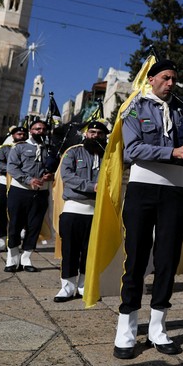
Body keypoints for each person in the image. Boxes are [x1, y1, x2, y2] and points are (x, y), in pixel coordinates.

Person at [113, 59, 183, 360]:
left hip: (173, 191)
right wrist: (173, 151)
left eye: (174, 79)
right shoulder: (134, 108)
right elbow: (132, 150)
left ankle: (158, 328)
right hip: (143, 189)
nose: (170, 84)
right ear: (151, 79)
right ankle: (126, 329)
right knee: (137, 258)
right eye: (165, 78)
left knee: (167, 259)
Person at [54, 122, 108, 302]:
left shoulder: (109, 155)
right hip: (74, 209)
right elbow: (67, 176)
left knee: (90, 252)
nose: (95, 135)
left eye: (100, 133)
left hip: (97, 211)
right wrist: (92, 187)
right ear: (86, 134)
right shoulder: (73, 152)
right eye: (92, 132)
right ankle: (67, 287)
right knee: (70, 250)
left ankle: (85, 286)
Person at [5, 120, 55, 273]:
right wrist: (29, 179)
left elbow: (56, 169)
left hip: (40, 193)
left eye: (43, 129)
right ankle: (12, 258)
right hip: (20, 191)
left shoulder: (50, 150)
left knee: (34, 226)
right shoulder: (19, 147)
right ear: (31, 130)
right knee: (15, 225)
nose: (40, 131)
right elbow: (12, 167)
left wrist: (50, 176)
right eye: (37, 128)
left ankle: (26, 258)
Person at [0, 127, 28, 252]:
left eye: (24, 134)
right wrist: (12, 169)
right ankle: (0, 240)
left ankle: (16, 240)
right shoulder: (4, 149)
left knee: (18, 213)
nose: (22, 136)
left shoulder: (29, 149)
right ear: (13, 135)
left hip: (20, 184)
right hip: (3, 182)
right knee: (0, 211)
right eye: (19, 134)